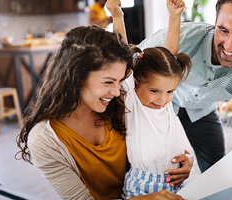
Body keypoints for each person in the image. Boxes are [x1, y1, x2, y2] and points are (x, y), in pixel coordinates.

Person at [16, 26, 192, 200]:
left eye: (120, 81)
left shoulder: (120, 104)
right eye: (108, 82)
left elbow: (159, 136)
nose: (117, 91)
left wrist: (183, 161)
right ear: (76, 76)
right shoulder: (45, 140)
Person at [138, 0, 232, 173]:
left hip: (202, 109)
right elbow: (127, 71)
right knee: (149, 162)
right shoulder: (178, 37)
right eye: (223, 30)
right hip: (159, 105)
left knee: (216, 169)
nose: (229, 46)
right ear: (216, 19)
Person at [107, 0, 200, 198]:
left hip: (175, 181)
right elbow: (122, 56)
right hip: (143, 186)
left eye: (170, 92)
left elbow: (170, 56)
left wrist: (175, 17)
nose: (163, 100)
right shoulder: (133, 102)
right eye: (155, 91)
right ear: (136, 83)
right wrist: (117, 16)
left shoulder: (163, 102)